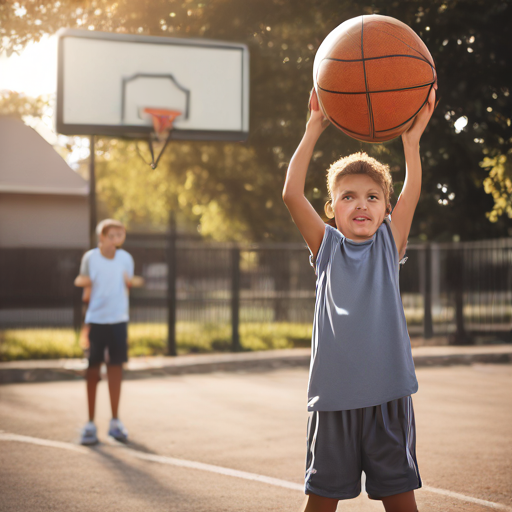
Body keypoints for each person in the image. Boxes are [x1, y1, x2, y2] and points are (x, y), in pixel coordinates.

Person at [282, 87, 436, 512]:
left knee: (401, 504)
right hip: (333, 401)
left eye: (372, 197)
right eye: (348, 196)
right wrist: (313, 128)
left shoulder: (390, 243)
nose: (361, 204)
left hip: (388, 398)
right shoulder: (327, 247)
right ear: (331, 208)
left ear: (387, 209)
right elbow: (292, 194)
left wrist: (411, 142)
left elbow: (412, 191)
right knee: (320, 505)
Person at [74, 219, 143, 445]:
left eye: (120, 234)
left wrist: (130, 282)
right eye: (112, 235)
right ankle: (90, 423)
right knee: (92, 371)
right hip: (96, 321)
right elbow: (84, 286)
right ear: (102, 237)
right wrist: (86, 322)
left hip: (118, 321)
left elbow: (128, 285)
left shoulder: (126, 259)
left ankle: (115, 421)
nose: (117, 239)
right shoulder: (90, 258)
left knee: (116, 369)